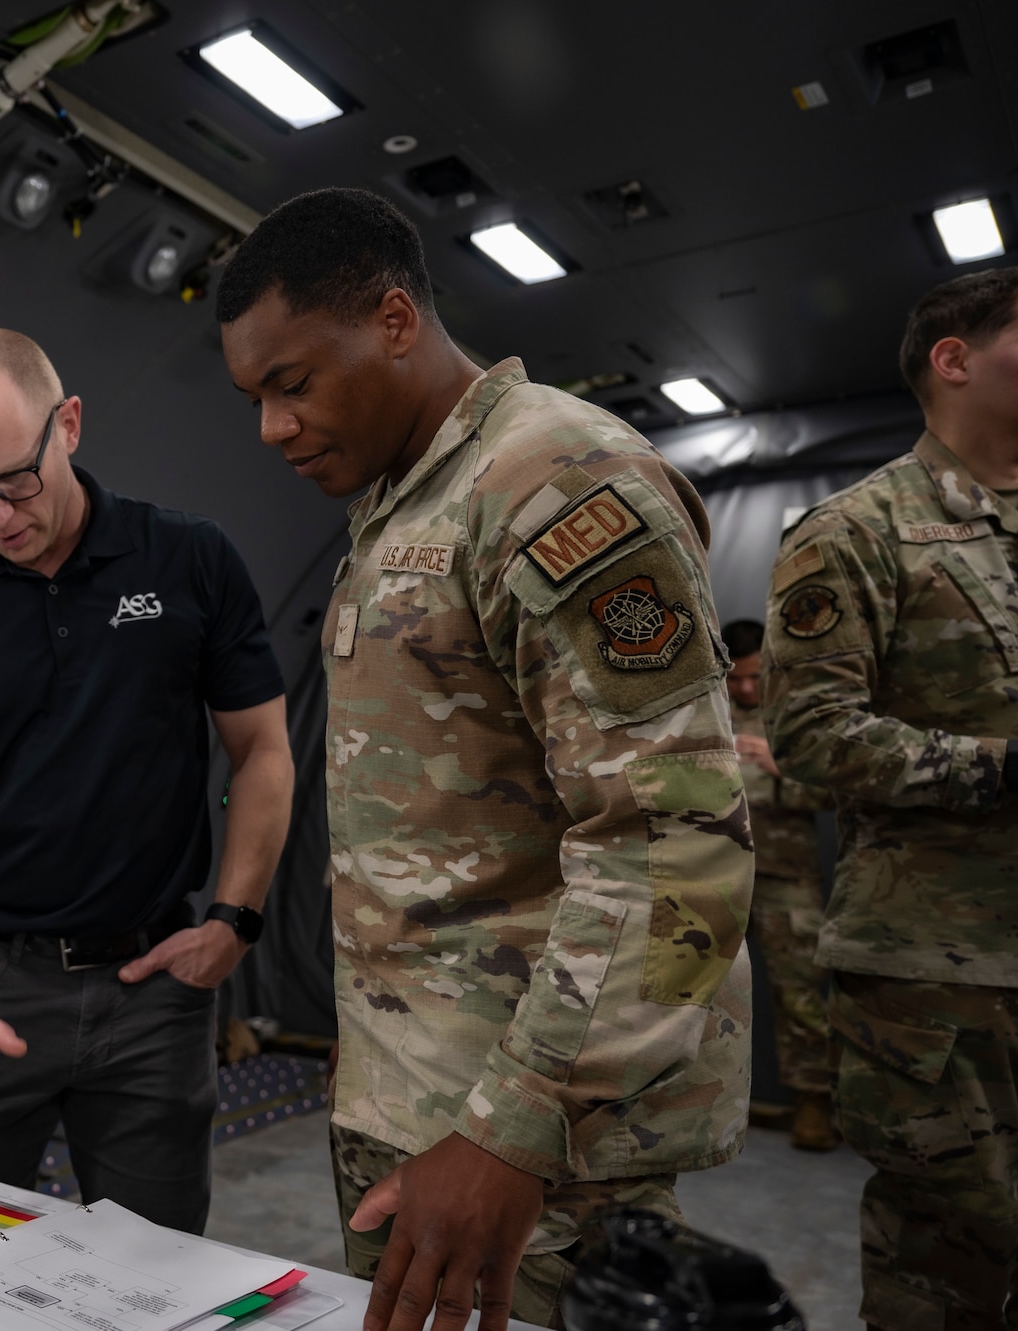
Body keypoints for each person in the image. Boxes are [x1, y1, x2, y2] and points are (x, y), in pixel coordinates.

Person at [217, 189, 752, 1331]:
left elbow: (673, 841)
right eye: (252, 397)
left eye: (291, 382)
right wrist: (371, 1049)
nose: (270, 428)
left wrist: (511, 1126)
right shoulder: (402, 500)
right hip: (415, 1096)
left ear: (395, 321)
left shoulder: (555, 481)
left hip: (529, 1139)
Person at [0, 328, 295, 1234]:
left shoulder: (188, 560)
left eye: (16, 479)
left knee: (155, 1267)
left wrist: (235, 921)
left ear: (70, 425)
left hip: (152, 989)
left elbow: (262, 750)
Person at [763, 264, 1018, 1331]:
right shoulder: (857, 528)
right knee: (948, 1260)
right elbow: (810, 739)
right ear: (952, 358)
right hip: (933, 975)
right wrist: (999, 766)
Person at [721, 619, 835, 1152]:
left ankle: (813, 1101)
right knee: (695, 986)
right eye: (735, 678)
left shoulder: (797, 721)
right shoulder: (705, 717)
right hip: (717, 870)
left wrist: (783, 765)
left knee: (802, 993)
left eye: (754, 676)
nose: (745, 688)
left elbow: (844, 795)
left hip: (787, 874)